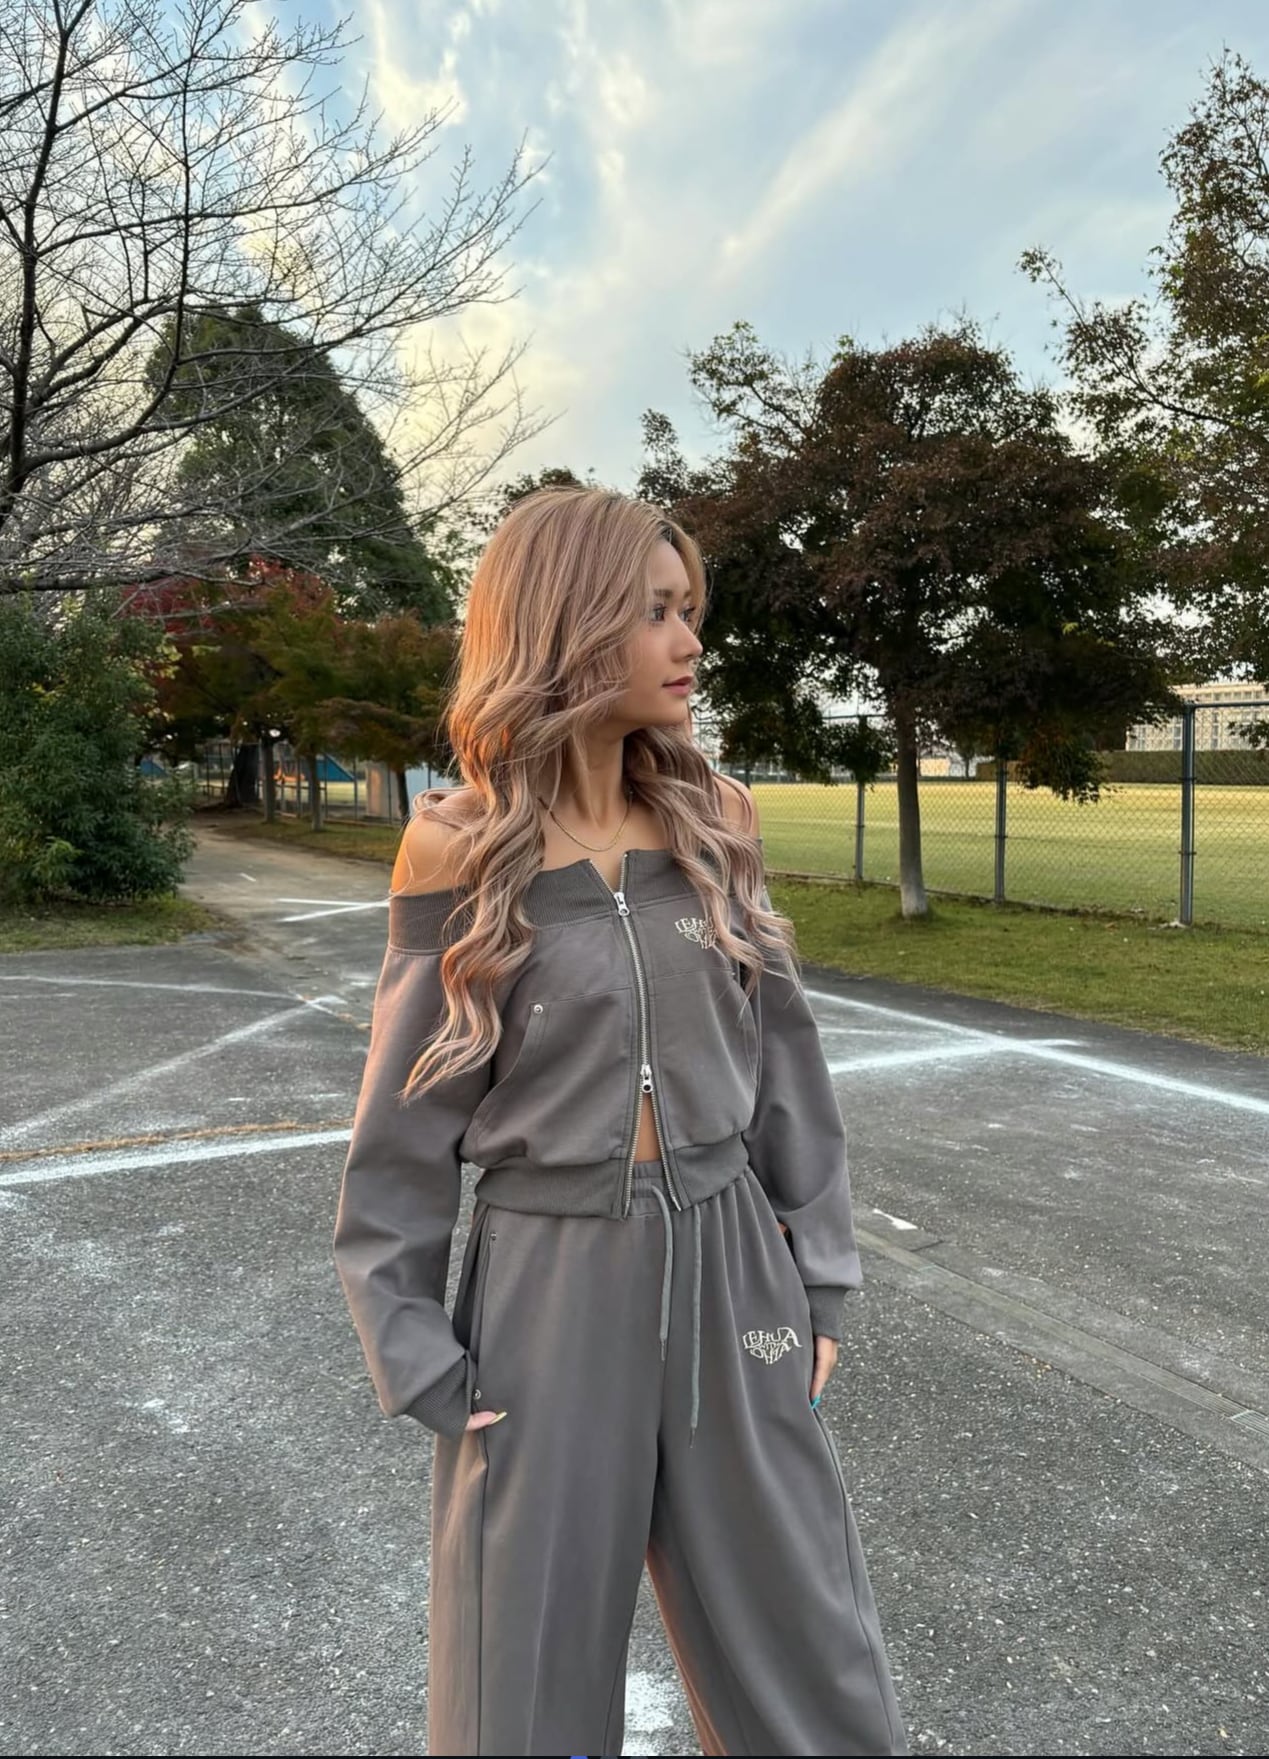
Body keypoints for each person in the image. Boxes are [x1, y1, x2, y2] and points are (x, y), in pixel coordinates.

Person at [332, 486, 908, 1757]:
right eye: (655, 612)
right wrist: (411, 1341)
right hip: (545, 1284)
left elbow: (787, 1063)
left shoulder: (717, 820)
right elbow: (405, 1120)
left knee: (808, 1650)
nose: (689, 640)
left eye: (687, 609)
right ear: (567, 623)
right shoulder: (459, 852)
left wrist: (819, 1275)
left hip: (731, 1260)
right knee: (519, 1678)